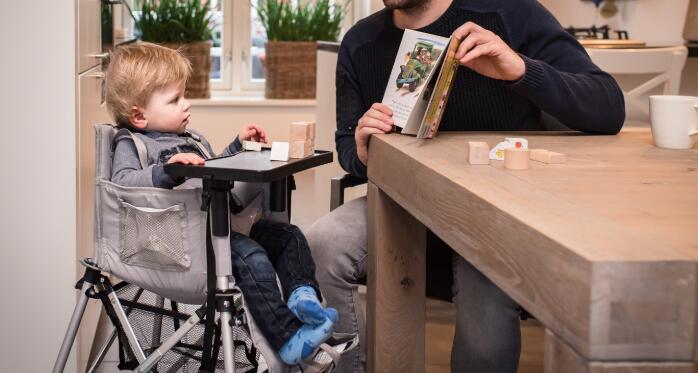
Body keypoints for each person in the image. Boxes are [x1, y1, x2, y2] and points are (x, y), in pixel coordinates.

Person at [305, 0, 625, 372]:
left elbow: (608, 106)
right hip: (401, 205)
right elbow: (347, 144)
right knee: (324, 243)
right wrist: (361, 146)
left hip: (493, 216)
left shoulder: (510, 14)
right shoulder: (360, 42)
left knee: (485, 313)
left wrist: (520, 70)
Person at [105, 42, 337, 366]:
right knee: (253, 257)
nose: (186, 105)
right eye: (174, 100)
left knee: (289, 237)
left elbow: (214, 169)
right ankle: (287, 338)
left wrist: (237, 146)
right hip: (187, 246)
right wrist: (167, 170)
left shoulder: (192, 138)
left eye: (184, 96)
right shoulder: (133, 144)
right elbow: (123, 184)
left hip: (222, 228)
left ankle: (303, 297)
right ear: (139, 115)